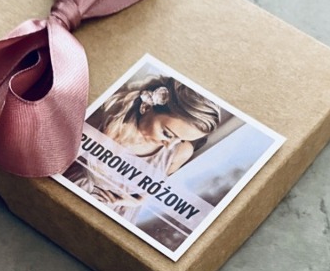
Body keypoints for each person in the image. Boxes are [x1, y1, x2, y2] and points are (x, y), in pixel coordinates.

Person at [64, 75, 221, 217]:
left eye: (181, 140)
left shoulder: (181, 152)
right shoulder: (103, 122)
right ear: (146, 107)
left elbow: (155, 187)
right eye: (167, 134)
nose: (169, 146)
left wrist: (137, 202)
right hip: (75, 195)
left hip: (121, 214)